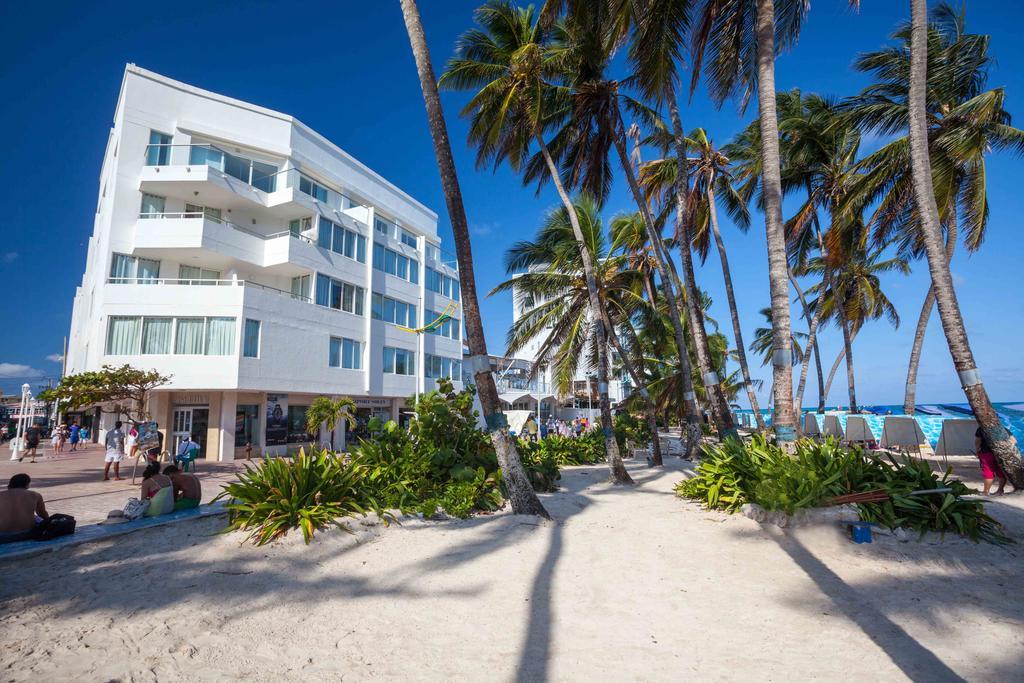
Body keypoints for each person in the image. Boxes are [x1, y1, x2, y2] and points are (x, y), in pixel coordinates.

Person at [0, 474, 48, 544]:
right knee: (36, 518)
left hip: (3, 536)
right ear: (27, 484)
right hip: (27, 534)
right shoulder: (35, 495)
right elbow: (43, 514)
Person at [975, 427, 1010, 496]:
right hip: (1000, 454)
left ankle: (986, 492)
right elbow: (1013, 440)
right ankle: (1000, 490)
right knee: (1001, 472)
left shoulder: (981, 428)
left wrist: (977, 451)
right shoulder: (1002, 428)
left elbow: (978, 441)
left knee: (988, 472)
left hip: (987, 453)